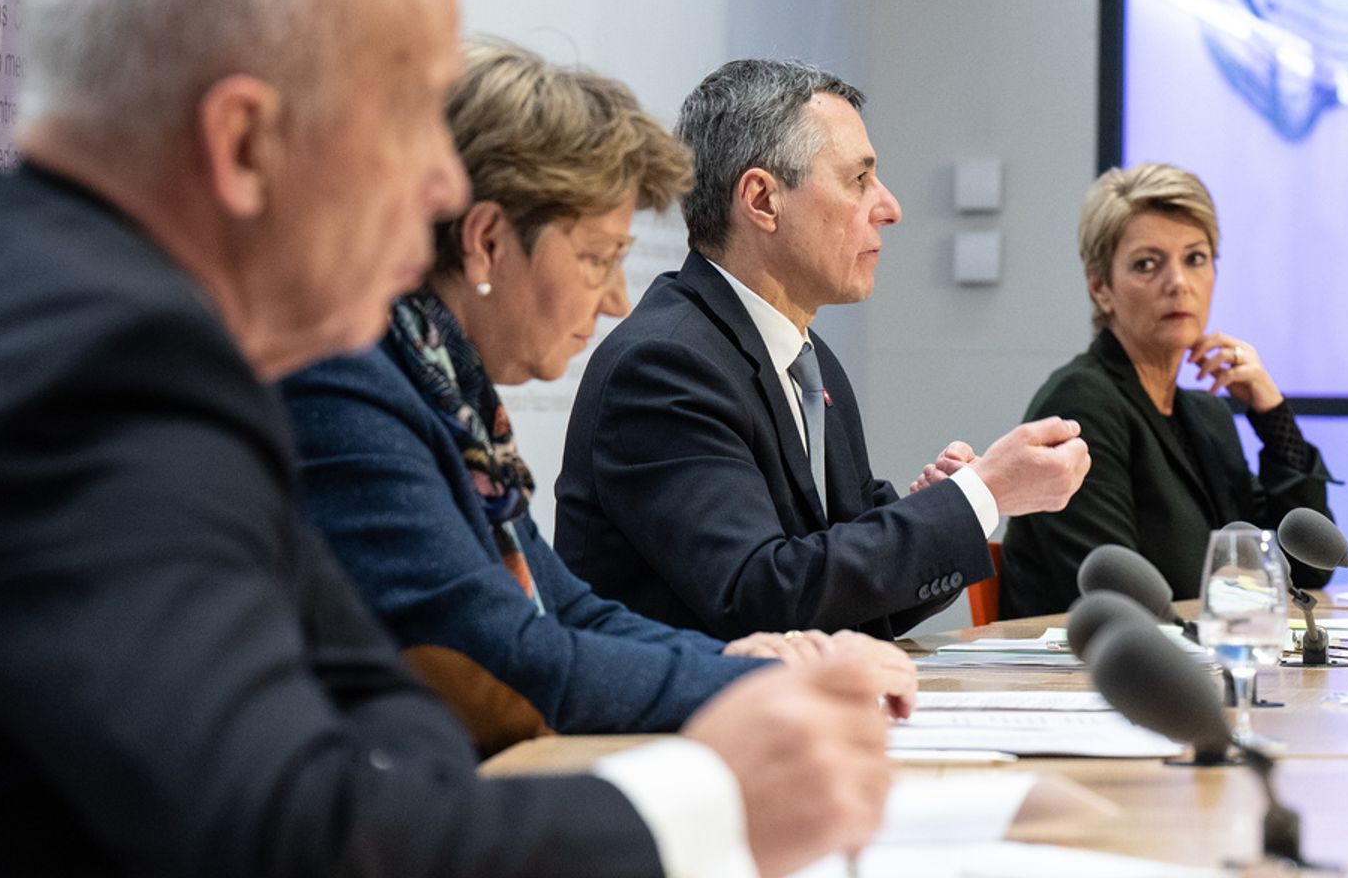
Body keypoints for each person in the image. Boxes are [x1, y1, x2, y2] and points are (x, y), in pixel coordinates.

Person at [0, 0, 897, 876]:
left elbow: (379, 708)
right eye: (407, 116)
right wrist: (706, 804)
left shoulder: (93, 334)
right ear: (243, 145)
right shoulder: (89, 383)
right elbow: (289, 840)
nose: (440, 187)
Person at [282, 40, 916, 756]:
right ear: (487, 242)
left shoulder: (439, 383)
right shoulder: (350, 387)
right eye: (596, 258)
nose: (618, 299)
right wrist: (753, 685)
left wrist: (751, 662)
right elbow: (511, 649)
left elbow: (566, 607)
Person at [555, 58, 1090, 640]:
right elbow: (762, 596)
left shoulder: (809, 360)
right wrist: (980, 495)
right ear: (762, 200)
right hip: (666, 728)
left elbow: (844, 599)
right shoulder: (664, 365)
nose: (889, 207)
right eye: (858, 180)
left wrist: (946, 509)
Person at [994, 163, 1334, 617]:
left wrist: (1271, 414)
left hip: (1199, 659)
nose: (1178, 283)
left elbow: (1306, 570)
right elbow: (1117, 595)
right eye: (1147, 265)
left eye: (1195, 258)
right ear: (1101, 289)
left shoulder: (1206, 416)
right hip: (1097, 675)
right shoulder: (1081, 405)